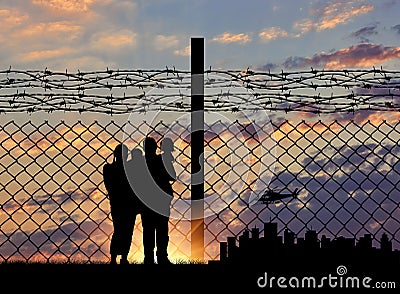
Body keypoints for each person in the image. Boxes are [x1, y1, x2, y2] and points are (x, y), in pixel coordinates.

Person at [141, 136, 176, 265]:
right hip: (160, 199)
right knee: (161, 229)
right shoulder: (161, 160)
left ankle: (149, 257)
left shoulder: (140, 163)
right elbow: (173, 176)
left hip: (147, 200)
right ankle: (161, 256)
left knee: (149, 230)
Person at [103, 143, 139, 265]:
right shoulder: (110, 168)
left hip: (123, 203)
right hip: (122, 203)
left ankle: (122, 257)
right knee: (121, 230)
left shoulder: (112, 168)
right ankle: (116, 257)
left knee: (125, 230)